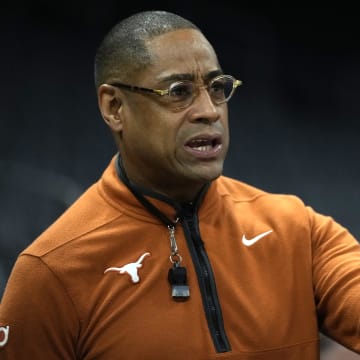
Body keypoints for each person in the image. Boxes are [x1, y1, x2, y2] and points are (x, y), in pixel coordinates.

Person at [0, 10, 359, 360]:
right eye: (178, 91)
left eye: (217, 88)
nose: (209, 110)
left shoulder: (297, 228)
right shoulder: (50, 272)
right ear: (114, 107)